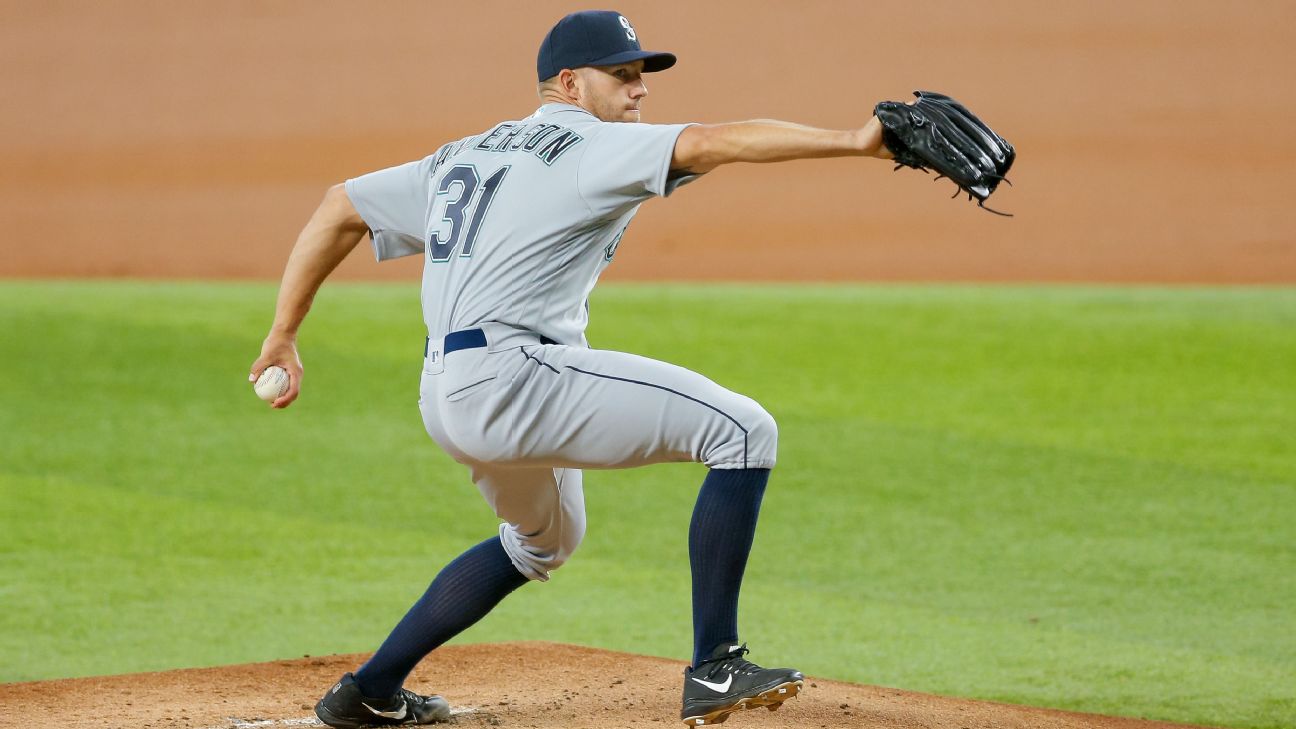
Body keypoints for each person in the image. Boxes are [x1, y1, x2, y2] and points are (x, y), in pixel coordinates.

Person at [249, 10, 892, 727]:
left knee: (544, 541)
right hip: (516, 379)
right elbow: (717, 141)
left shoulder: (466, 152)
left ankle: (367, 690)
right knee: (744, 432)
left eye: (640, 74)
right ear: (569, 82)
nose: (639, 90)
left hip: (445, 393)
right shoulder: (591, 144)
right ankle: (716, 665)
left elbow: (341, 205)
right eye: (622, 75)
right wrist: (856, 142)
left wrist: (283, 333)